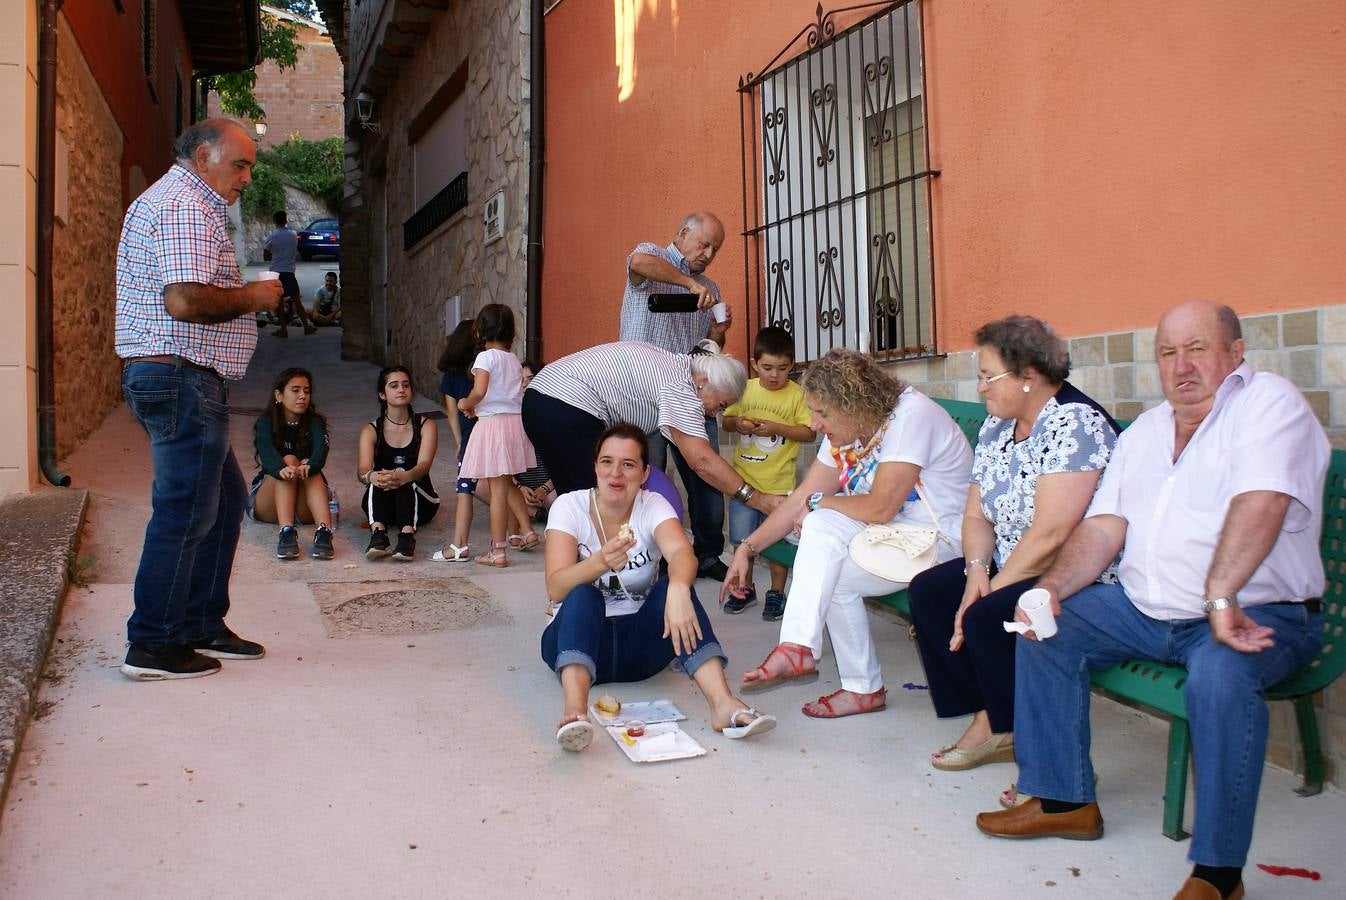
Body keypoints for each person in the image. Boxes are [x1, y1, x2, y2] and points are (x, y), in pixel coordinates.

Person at [974, 301, 1328, 900]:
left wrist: (1219, 597)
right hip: (1143, 611)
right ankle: (1063, 800)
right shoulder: (1145, 432)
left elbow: (1262, 500)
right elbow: (1104, 528)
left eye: (1197, 349)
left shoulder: (1267, 403)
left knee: (1218, 683)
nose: (1181, 365)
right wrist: (1048, 591)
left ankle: (1217, 875)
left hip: (1253, 613)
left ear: (1235, 353)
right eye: (1168, 352)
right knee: (1042, 628)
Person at [906, 316, 1118, 772]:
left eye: (988, 377)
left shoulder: (1075, 424)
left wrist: (994, 587)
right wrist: (977, 573)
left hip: (1072, 571)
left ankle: (999, 725)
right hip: (1011, 556)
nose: (980, 388)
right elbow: (976, 513)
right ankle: (999, 713)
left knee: (984, 615)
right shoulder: (998, 427)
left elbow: (1052, 535)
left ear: (1028, 377)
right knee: (930, 592)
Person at [115, 118, 283, 680]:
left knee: (224, 497)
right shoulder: (185, 206)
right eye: (240, 164)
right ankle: (153, 644)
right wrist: (254, 295)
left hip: (184, 377)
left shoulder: (183, 201)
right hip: (180, 376)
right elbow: (185, 301)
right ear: (205, 155)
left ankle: (198, 622)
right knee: (187, 509)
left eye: (251, 167)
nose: (247, 178)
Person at [722, 349, 973, 718]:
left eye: (821, 413)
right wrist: (748, 547)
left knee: (825, 540)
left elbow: (880, 507)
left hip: (938, 540)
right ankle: (807, 654)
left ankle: (832, 670)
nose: (815, 423)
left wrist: (817, 504)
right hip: (891, 535)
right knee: (824, 539)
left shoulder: (910, 416)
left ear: (853, 403)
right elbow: (803, 498)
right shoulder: (846, 428)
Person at [541, 424, 777, 751]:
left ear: (644, 472)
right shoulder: (569, 506)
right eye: (607, 462)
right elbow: (556, 587)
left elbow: (681, 553)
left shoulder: (652, 505)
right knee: (582, 593)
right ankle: (576, 714)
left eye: (628, 464)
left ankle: (724, 704)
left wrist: (679, 588)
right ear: (595, 466)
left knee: (672, 587)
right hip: (578, 641)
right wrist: (599, 562)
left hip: (641, 649)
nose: (616, 473)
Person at [521, 341, 782, 526]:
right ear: (704, 382)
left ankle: (571, 585)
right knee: (602, 508)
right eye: (721, 405)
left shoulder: (673, 364)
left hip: (538, 399)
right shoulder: (682, 387)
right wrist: (756, 499)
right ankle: (589, 587)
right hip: (565, 406)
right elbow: (701, 461)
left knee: (577, 505)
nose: (714, 414)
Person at [619, 212, 734, 580]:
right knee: (647, 476)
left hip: (689, 394)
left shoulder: (709, 289)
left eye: (714, 249)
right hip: (641, 392)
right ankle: (653, 555)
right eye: (703, 243)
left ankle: (709, 554)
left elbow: (708, 352)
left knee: (706, 477)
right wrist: (687, 283)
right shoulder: (652, 256)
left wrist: (719, 330)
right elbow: (637, 263)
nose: (707, 253)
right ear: (683, 233)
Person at [720, 326, 814, 620]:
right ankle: (745, 589)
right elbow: (727, 421)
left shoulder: (797, 395)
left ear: (792, 366)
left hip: (780, 486)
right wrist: (740, 425)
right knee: (741, 540)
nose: (775, 375)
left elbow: (809, 433)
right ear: (754, 364)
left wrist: (775, 429)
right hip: (743, 485)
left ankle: (777, 593)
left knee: (777, 544)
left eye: (783, 368)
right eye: (768, 368)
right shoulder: (745, 388)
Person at [455, 304, 539, 567]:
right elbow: (501, 396)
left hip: (493, 427)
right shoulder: (513, 359)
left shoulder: (485, 358)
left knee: (497, 491)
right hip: (513, 424)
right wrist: (478, 408)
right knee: (507, 483)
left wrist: (465, 404)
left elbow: (480, 391)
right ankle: (526, 531)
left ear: (481, 329)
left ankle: (498, 550)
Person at [248, 367, 335, 561]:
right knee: (288, 460)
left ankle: (324, 532)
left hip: (304, 506)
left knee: (306, 463)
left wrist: (310, 465)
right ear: (279, 395)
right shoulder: (266, 422)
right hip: (268, 503)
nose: (302, 396)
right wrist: (282, 469)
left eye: (306, 391)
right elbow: (267, 454)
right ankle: (286, 531)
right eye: (295, 390)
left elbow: (321, 452)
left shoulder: (315, 422)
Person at [357, 366, 441, 561]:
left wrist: (404, 476)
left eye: (405, 385)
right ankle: (378, 534)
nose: (401, 389)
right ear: (382, 394)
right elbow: (362, 470)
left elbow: (424, 465)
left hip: (422, 501)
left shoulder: (426, 425)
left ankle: (406, 536)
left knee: (402, 475)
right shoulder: (371, 430)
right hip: (385, 504)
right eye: (393, 386)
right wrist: (373, 476)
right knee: (378, 477)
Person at [513, 359, 557, 523]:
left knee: (557, 500)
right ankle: (535, 513)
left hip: (550, 486)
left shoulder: (552, 416)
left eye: (530, 379)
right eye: (520, 379)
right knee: (477, 484)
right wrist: (518, 487)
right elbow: (501, 460)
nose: (524, 385)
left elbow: (563, 462)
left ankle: (539, 511)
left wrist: (545, 489)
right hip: (520, 488)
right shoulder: (509, 417)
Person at [262, 210, 314, 337]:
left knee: (279, 302)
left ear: (275, 221)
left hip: (275, 272)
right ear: (286, 220)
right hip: (289, 271)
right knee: (297, 300)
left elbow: (266, 256)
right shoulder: (293, 235)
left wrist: (275, 255)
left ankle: (283, 329)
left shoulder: (272, 236)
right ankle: (306, 326)